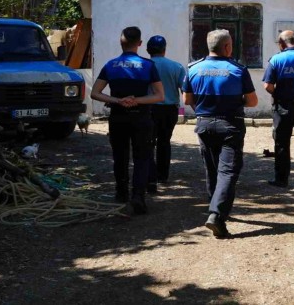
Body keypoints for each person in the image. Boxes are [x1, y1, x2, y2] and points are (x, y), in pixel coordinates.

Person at [183, 29, 258, 238]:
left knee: (211, 168)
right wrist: (235, 101)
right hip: (230, 124)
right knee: (228, 171)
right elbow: (252, 101)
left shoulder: (193, 68)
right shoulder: (238, 70)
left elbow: (186, 100)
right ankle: (217, 215)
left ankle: (214, 205)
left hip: (204, 124)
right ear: (227, 47)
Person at [90, 27, 164, 214]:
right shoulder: (148, 66)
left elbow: (95, 93)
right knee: (142, 157)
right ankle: (138, 196)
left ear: (121, 42)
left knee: (120, 155)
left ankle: (121, 192)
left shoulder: (111, 65)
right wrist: (136, 100)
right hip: (141, 117)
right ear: (140, 43)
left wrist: (118, 100)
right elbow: (159, 96)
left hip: (118, 116)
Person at [262, 30, 294, 187]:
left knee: (282, 143)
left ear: (281, 44)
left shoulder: (276, 59)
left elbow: (268, 85)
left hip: (282, 107)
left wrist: (278, 93)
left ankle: (281, 179)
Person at [145, 35, 187, 191]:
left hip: (148, 108)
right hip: (169, 110)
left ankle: (150, 175)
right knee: (164, 141)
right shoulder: (176, 67)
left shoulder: (144, 66)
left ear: (148, 50)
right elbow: (184, 89)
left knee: (148, 142)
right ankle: (162, 175)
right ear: (164, 49)